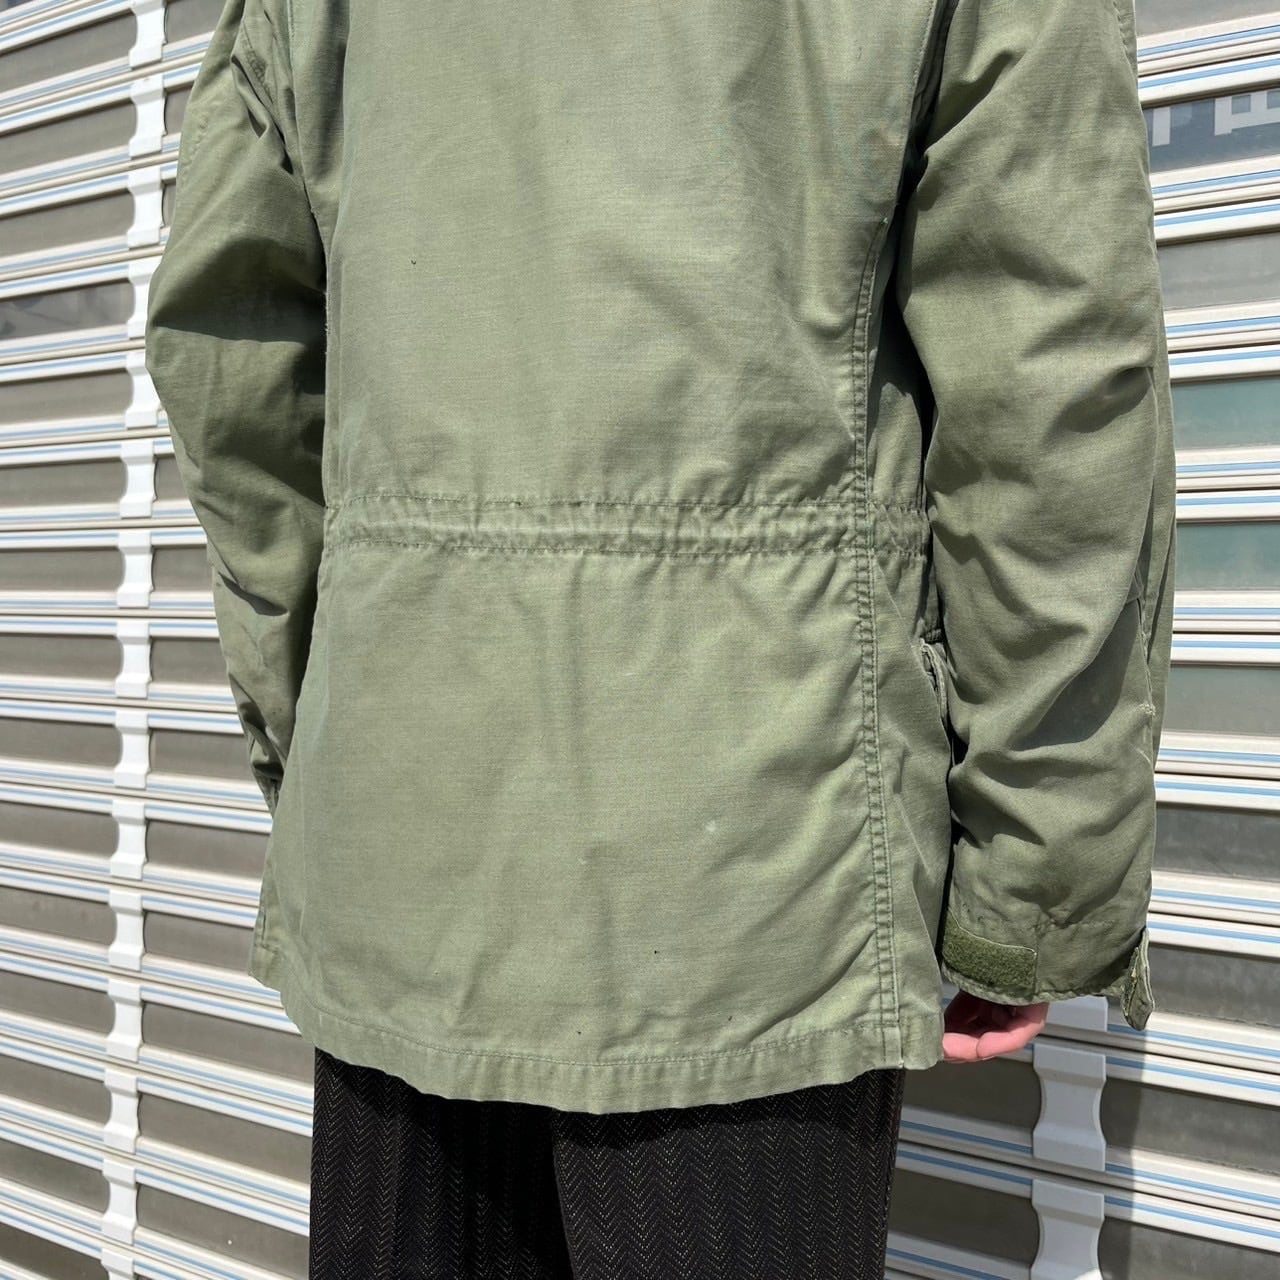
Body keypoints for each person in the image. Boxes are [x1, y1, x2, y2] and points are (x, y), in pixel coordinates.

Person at [144, 0, 1174, 1275]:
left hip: (404, 841)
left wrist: (341, 737)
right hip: (754, 870)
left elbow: (230, 353)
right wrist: (1034, 884)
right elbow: (1050, 383)